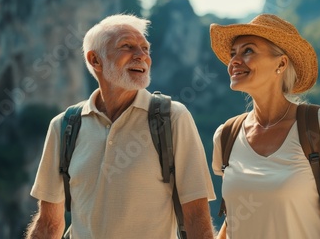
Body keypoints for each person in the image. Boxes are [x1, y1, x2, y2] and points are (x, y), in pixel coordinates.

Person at [26, 14, 216, 239]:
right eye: (127, 46)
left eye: (145, 49)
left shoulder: (173, 118)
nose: (142, 56)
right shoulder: (64, 126)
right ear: (95, 60)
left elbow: (197, 218)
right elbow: (48, 224)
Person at [209, 14, 320, 239]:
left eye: (248, 51)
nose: (234, 61)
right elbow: (234, 220)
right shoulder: (226, 135)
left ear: (281, 63)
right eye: (233, 54)